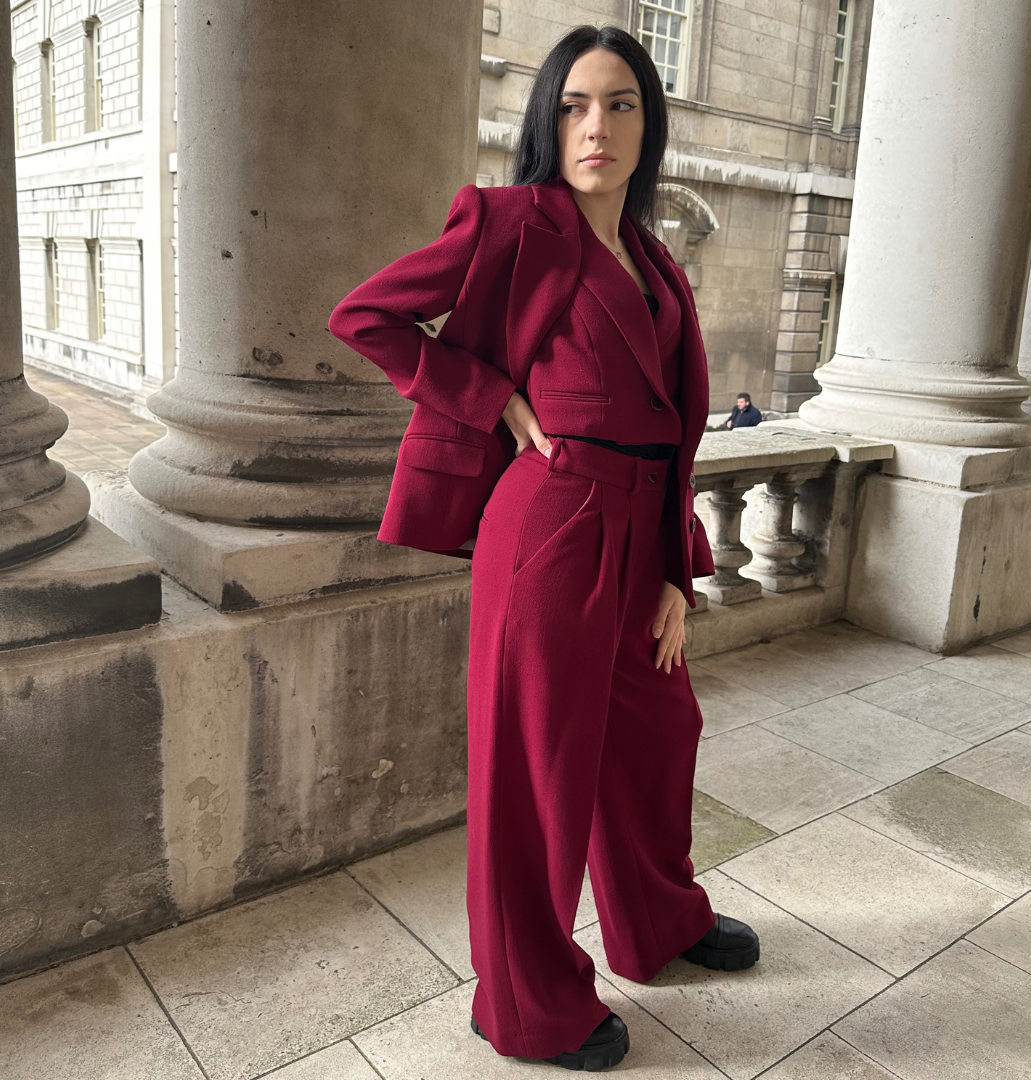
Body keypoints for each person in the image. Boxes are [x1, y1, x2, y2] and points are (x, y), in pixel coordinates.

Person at [328, 24, 758, 1072]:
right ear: (547, 123)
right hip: (551, 526)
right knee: (537, 774)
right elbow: (367, 316)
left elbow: (671, 427)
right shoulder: (516, 224)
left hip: (639, 525)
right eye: (573, 105)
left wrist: (672, 571)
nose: (594, 126)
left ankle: (658, 921)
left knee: (659, 732)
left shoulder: (656, 260)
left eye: (618, 104)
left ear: (648, 125)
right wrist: (495, 397)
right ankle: (521, 1002)